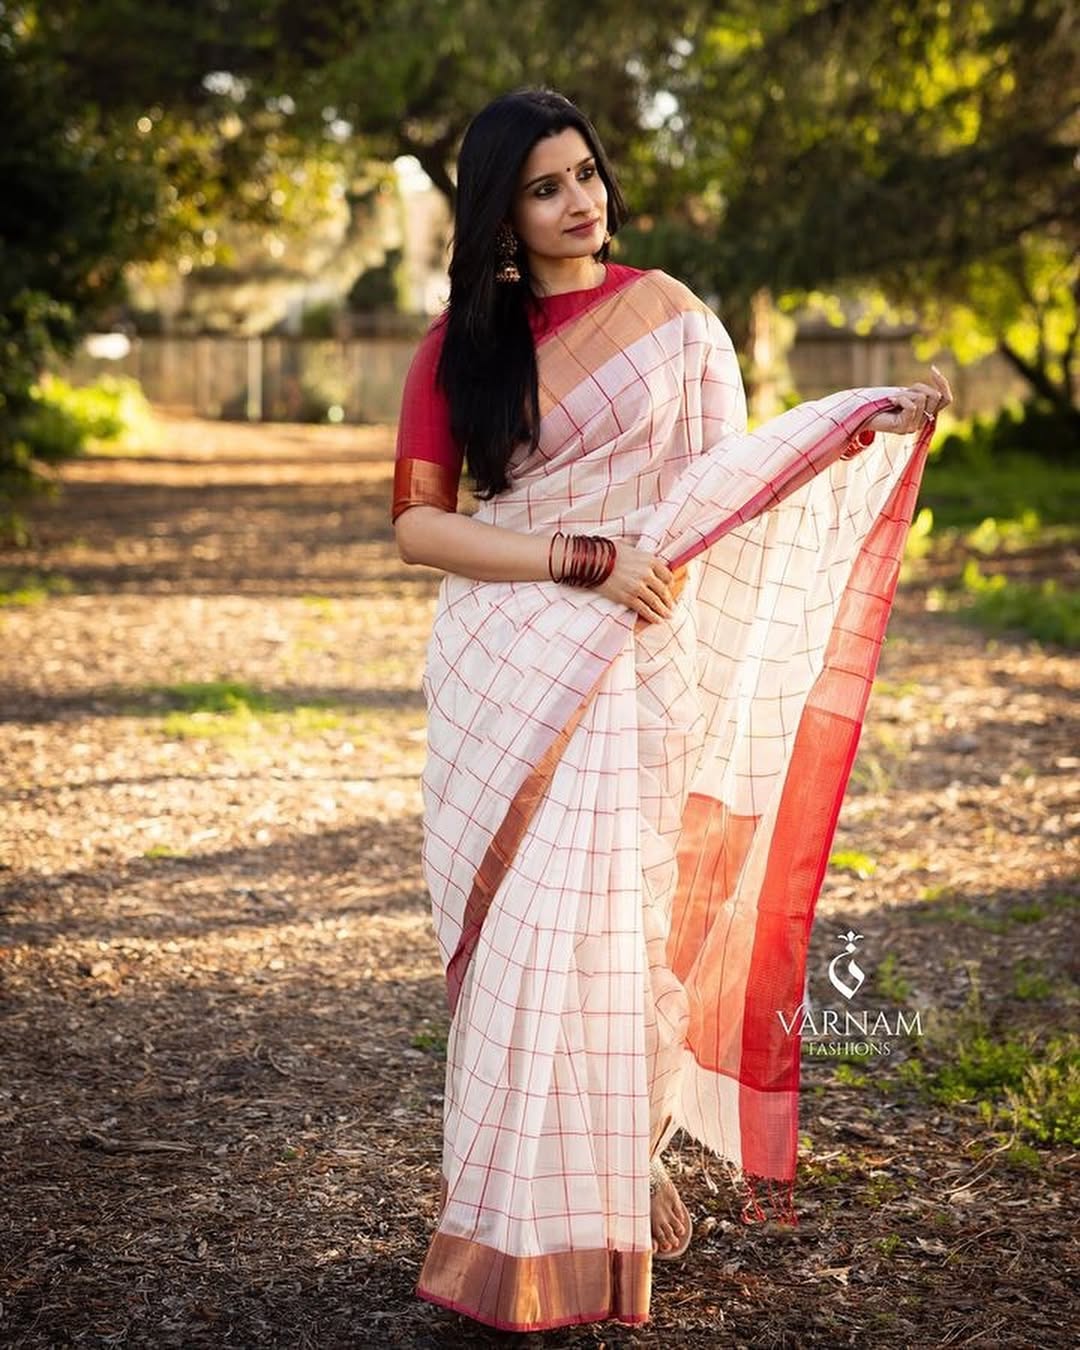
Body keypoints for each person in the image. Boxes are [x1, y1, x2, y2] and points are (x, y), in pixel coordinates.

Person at [391, 86, 952, 1333]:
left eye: (586, 174)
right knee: (514, 945)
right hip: (503, 660)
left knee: (610, 928)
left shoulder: (673, 320)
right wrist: (577, 558)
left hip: (634, 662)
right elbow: (419, 525)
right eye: (544, 188)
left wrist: (855, 424)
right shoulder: (459, 346)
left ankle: (610, 1169)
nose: (577, 202)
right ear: (500, 213)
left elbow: (721, 487)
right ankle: (512, 1209)